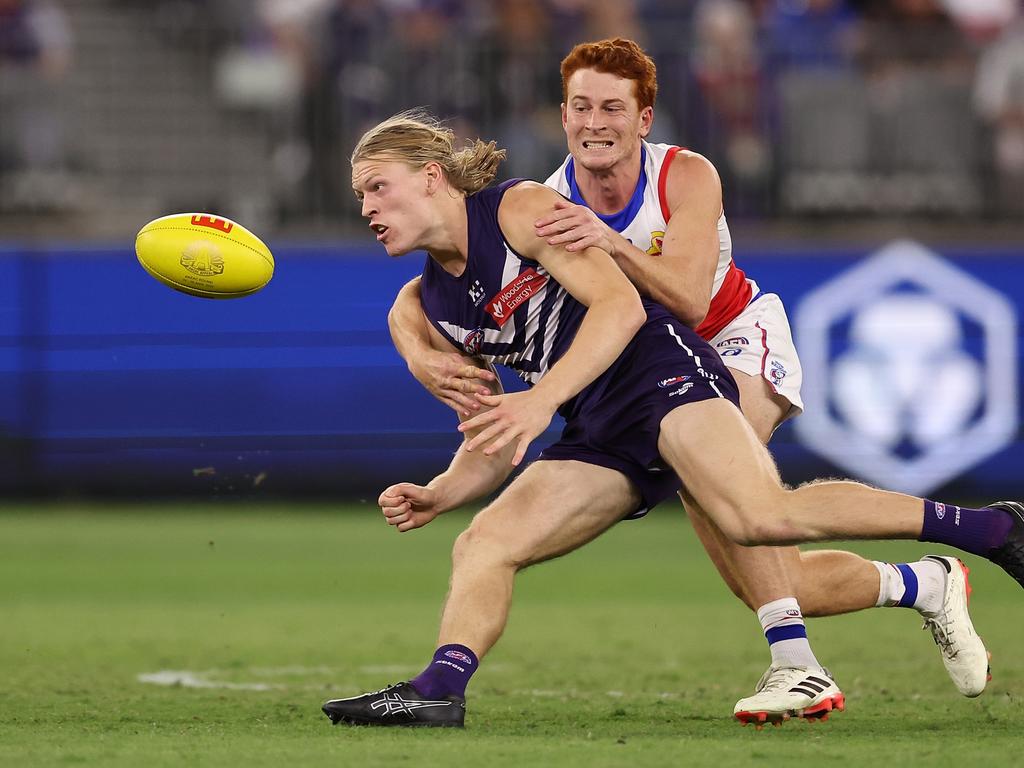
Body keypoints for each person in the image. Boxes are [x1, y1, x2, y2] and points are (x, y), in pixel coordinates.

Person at [321, 110, 1024, 730]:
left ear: (434, 177)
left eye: (378, 186)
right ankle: (440, 691)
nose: (367, 207)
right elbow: (496, 429)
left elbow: (621, 308)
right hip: (596, 421)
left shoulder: (516, 210)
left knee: (761, 519)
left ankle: (994, 529)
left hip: (661, 374)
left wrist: (538, 399)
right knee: (485, 541)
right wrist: (442, 489)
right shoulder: (422, 308)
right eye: (360, 195)